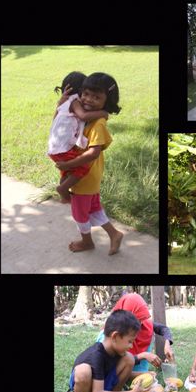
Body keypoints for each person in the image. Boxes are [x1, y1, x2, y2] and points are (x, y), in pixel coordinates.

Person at [53, 72, 124, 255]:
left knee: (79, 213)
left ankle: (87, 242)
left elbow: (94, 153)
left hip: (85, 173)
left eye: (96, 97)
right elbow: (57, 123)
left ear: (106, 101)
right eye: (86, 94)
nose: (89, 100)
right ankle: (114, 234)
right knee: (93, 208)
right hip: (86, 172)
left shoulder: (98, 123)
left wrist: (68, 166)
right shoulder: (84, 115)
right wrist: (60, 104)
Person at [65, 310, 151, 392]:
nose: (131, 346)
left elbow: (129, 365)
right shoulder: (96, 355)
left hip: (101, 388)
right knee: (83, 371)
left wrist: (147, 373)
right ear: (115, 336)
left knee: (129, 358)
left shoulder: (116, 351)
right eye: (129, 341)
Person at [48, 72, 110, 203]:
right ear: (80, 90)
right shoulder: (75, 102)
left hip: (54, 147)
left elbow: (55, 119)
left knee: (68, 170)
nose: (87, 97)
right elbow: (83, 116)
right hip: (63, 149)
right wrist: (103, 113)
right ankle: (63, 190)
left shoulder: (63, 104)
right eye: (85, 92)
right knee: (82, 168)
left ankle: (63, 191)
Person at [95, 292, 175, 379]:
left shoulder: (143, 324)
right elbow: (113, 368)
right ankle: (134, 373)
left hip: (133, 365)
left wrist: (167, 344)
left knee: (149, 330)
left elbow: (163, 329)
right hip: (117, 369)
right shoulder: (108, 337)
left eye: (141, 319)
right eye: (137, 320)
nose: (140, 324)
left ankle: (139, 370)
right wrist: (143, 356)